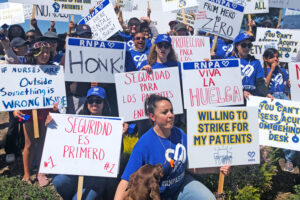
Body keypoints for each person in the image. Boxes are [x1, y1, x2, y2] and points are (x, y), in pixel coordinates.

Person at [114, 94, 230, 200]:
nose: (171, 115)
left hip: (181, 186)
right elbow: (126, 180)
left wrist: (216, 169)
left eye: (171, 111)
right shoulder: (144, 144)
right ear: (153, 117)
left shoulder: (180, 134)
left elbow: (191, 166)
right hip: (157, 195)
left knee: (208, 198)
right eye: (165, 112)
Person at [52, 86, 128, 200]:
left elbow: (118, 153)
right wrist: (53, 122)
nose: (94, 104)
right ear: (86, 103)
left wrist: (119, 136)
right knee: (59, 181)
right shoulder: (77, 122)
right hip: (76, 171)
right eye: (91, 100)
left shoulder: (113, 125)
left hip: (97, 176)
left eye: (98, 101)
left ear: (104, 103)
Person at [12, 41, 54, 187]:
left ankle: (41, 172)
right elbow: (15, 90)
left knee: (43, 142)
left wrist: (56, 106)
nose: (45, 55)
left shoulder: (54, 70)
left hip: (45, 111)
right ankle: (26, 173)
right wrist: (14, 108)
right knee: (28, 143)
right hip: (26, 111)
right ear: (35, 54)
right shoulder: (25, 70)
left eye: (47, 52)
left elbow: (57, 93)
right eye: (42, 52)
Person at [263, 48, 295, 172]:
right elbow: (265, 84)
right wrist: (271, 69)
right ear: (266, 59)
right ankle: (282, 159)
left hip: (283, 98)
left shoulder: (282, 71)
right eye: (272, 57)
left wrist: (289, 83)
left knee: (290, 128)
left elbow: (287, 85)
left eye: (277, 57)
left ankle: (289, 158)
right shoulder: (263, 70)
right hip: (272, 99)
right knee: (279, 131)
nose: (276, 59)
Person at [228, 32, 273, 101]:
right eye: (243, 45)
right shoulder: (229, 61)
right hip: (235, 99)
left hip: (251, 99)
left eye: (249, 45)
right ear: (237, 46)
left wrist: (266, 93)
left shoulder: (256, 62)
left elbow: (260, 83)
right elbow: (226, 82)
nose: (247, 48)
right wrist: (241, 92)